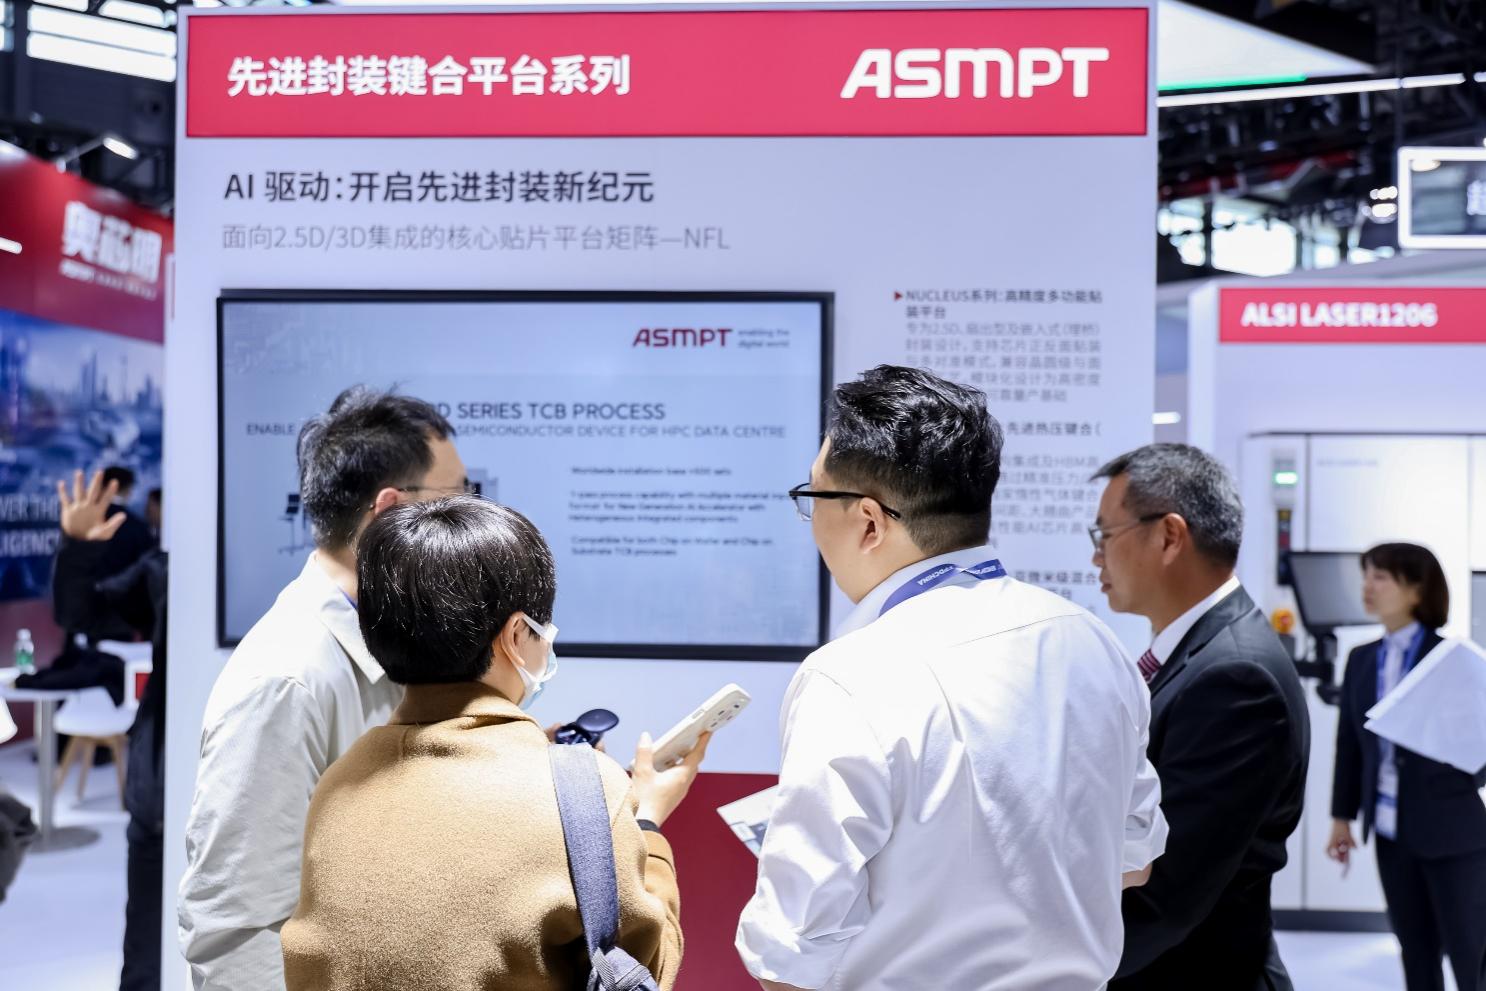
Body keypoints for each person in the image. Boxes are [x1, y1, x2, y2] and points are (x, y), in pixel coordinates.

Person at [736, 365, 1168, 991]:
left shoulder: (852, 676)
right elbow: (1135, 861)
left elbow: (789, 957)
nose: (810, 521)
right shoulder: (1093, 641)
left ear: (869, 522)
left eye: (813, 498)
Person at [281, 497, 707, 990]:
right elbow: (647, 968)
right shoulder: (591, 792)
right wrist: (647, 822)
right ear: (516, 635)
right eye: (542, 628)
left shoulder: (338, 784)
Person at [179, 387, 473, 991]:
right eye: (457, 500)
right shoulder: (286, 680)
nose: (470, 521)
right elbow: (237, 930)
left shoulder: (390, 635)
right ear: (390, 511)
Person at [1091, 443, 1310, 991]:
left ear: (1169, 536)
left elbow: (1167, 895)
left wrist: (1056, 969)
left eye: (1105, 535)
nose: (1096, 558)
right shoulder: (1205, 653)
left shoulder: (1236, 677)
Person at [1327, 543, 1486, 991]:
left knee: (1470, 955)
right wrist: (1341, 818)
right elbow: (1350, 744)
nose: (1367, 586)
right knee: (1415, 954)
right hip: (1390, 831)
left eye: (1381, 577)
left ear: (1417, 589)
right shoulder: (1361, 658)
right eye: (1366, 575)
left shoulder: (1450, 657)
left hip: (1453, 832)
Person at [53, 469, 168, 991]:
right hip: (160, 779)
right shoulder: (164, 569)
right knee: (145, 956)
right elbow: (81, 612)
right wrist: (77, 547)